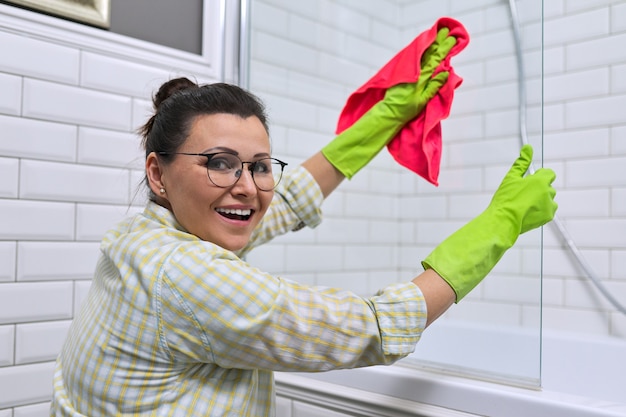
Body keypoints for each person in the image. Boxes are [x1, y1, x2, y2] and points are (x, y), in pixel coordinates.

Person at [51, 33, 557, 417]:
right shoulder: (184, 274)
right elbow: (370, 329)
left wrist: (389, 114)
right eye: (220, 162)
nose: (248, 186)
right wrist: (501, 224)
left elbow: (287, 200)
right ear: (158, 173)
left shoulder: (146, 237)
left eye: (260, 165)